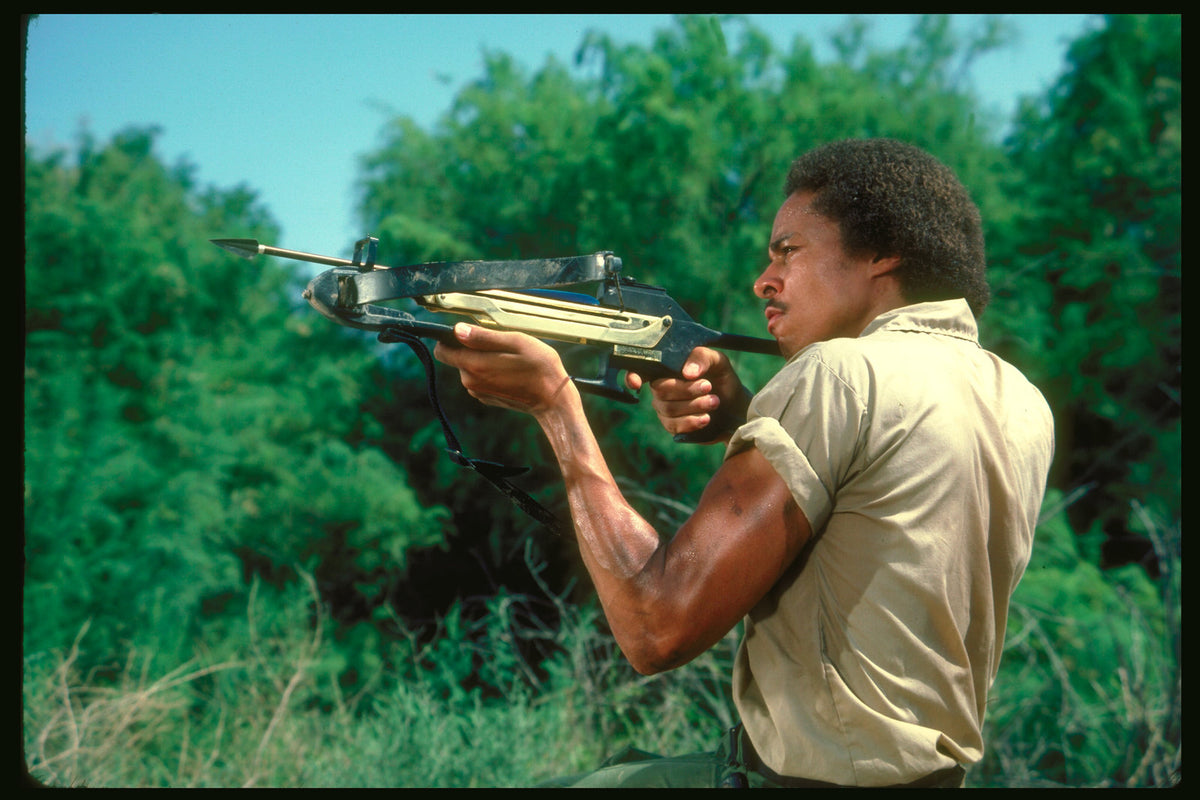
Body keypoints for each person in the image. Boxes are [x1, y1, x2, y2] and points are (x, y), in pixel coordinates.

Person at [433, 138, 1054, 788]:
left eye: (788, 251)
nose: (765, 280)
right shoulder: (1017, 400)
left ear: (881, 253)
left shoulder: (838, 373)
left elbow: (656, 626)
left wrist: (556, 407)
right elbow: (879, 514)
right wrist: (748, 416)